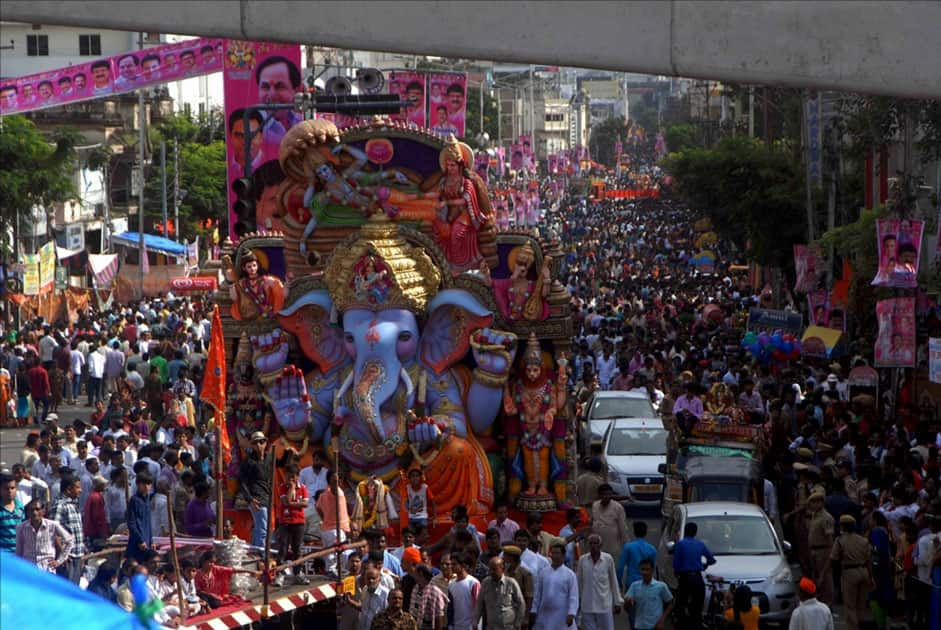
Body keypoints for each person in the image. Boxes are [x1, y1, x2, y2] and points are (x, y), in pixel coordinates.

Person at [830, 514, 873, 630]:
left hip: (849, 573)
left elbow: (833, 559)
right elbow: (869, 560)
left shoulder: (840, 540)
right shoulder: (863, 540)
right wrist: (871, 577)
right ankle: (861, 625)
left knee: (850, 606)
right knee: (861, 605)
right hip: (864, 572)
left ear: (842, 527)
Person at [672, 522, 716, 630]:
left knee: (681, 604)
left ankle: (681, 625)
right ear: (695, 533)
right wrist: (703, 566)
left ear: (685, 531)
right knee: (697, 606)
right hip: (697, 578)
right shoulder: (700, 544)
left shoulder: (680, 544)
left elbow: (676, 564)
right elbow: (711, 559)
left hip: (685, 578)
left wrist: (677, 574)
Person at [576, 534, 621, 630]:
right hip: (587, 605)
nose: (593, 546)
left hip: (604, 605)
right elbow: (579, 582)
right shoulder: (582, 560)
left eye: (595, 543)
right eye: (591, 543)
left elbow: (613, 580)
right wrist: (577, 603)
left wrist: (617, 601)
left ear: (600, 545)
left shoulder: (608, 559)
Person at [256, 55, 302, 146]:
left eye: (280, 87)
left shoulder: (302, 121)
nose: (272, 95)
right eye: (265, 87)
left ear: (295, 91)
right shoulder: (252, 127)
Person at [16, 499, 74, 572]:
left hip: (47, 568)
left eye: (37, 509)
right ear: (27, 512)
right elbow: (19, 550)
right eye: (31, 510)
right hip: (28, 569)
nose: (34, 513)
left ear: (43, 511)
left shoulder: (52, 525)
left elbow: (70, 540)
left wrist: (59, 561)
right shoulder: (21, 527)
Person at [531, 543, 578, 630]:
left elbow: (573, 596)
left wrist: (571, 613)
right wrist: (534, 610)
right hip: (544, 614)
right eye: (553, 553)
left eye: (557, 553)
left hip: (562, 615)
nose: (554, 555)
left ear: (563, 555)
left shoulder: (570, 574)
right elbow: (538, 594)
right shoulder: (543, 573)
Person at [238, 431, 272, 548]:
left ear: (265, 443)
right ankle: (261, 555)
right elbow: (241, 482)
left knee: (260, 528)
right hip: (256, 498)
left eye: (261, 442)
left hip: (267, 497)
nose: (259, 445)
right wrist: (250, 499)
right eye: (256, 443)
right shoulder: (248, 462)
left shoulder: (269, 459)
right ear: (252, 445)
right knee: (263, 529)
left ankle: (255, 552)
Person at [279, 464, 310, 585]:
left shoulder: (303, 488)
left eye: (293, 477)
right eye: (288, 477)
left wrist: (290, 503)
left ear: (297, 476)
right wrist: (291, 489)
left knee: (297, 548)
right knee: (283, 548)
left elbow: (305, 504)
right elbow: (285, 502)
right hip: (285, 522)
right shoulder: (282, 487)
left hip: (299, 522)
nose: (290, 479)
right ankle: (280, 574)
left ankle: (298, 573)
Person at [50, 475, 85, 582]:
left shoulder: (73, 505)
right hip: (68, 556)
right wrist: (62, 554)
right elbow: (53, 531)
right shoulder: (60, 505)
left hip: (77, 554)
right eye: (78, 487)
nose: (81, 490)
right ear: (69, 489)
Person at [475, 556, 525, 630]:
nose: (491, 572)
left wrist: (517, 624)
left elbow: (521, 604)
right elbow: (479, 604)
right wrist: (475, 621)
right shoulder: (485, 583)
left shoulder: (511, 583)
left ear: (502, 569)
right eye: (490, 569)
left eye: (494, 569)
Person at [624, 558, 673, 630]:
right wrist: (627, 603)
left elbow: (671, 603)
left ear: (652, 570)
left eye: (647, 569)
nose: (645, 572)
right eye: (642, 569)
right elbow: (627, 608)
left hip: (655, 626)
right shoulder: (634, 586)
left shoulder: (661, 586)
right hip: (640, 626)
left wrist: (662, 620)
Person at [590, 483, 628, 558]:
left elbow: (622, 527)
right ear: (599, 495)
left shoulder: (618, 507)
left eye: (609, 494)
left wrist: (626, 544)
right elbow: (592, 521)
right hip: (597, 544)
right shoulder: (595, 505)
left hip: (612, 544)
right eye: (603, 494)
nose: (606, 497)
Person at [617, 520, 657, 591]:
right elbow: (653, 568)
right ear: (645, 533)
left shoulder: (628, 547)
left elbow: (620, 567)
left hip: (631, 583)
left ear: (634, 532)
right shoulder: (652, 549)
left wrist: (619, 581)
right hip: (646, 582)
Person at [126, 470, 154, 563]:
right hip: (137, 543)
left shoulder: (147, 500)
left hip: (147, 542)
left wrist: (151, 540)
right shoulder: (134, 500)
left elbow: (148, 523)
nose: (146, 486)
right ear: (138, 484)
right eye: (144, 483)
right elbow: (132, 523)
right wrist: (140, 540)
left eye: (149, 483)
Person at [449, 553, 481, 630]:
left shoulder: (473, 583)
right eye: (451, 564)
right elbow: (451, 607)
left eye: (454, 564)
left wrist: (475, 625)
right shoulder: (451, 584)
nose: (451, 567)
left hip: (470, 627)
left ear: (462, 565)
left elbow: (477, 607)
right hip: (456, 626)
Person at [0, 473, 25, 552]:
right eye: (6, 488)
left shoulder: (20, 506)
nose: (9, 491)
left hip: (20, 554)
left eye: (12, 488)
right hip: (4, 555)